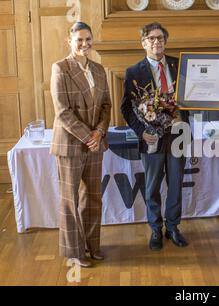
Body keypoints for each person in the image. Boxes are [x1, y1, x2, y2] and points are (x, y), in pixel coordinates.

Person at [121, 22, 189, 251]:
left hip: (178, 135)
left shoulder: (180, 66)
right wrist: (143, 132)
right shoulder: (133, 72)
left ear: (165, 41)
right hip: (151, 138)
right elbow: (127, 109)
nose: (156, 42)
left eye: (160, 38)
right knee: (152, 187)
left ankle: (173, 227)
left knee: (176, 183)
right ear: (143, 43)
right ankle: (155, 229)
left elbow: (195, 96)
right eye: (151, 38)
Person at [50, 22, 111, 267]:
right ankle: (74, 252)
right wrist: (88, 136)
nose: (84, 44)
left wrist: (99, 132)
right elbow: (62, 112)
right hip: (70, 145)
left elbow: (106, 105)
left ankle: (92, 246)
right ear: (70, 41)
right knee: (70, 200)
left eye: (88, 39)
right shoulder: (60, 68)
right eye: (79, 40)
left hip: (95, 143)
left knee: (93, 198)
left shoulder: (98, 69)